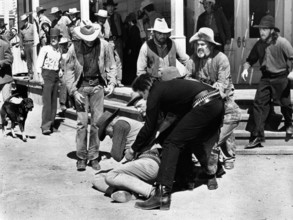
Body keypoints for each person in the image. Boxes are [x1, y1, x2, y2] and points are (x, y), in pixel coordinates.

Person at [127, 74, 224, 210]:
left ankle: (162, 195)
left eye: (142, 96)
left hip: (205, 104)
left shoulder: (155, 92)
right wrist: (158, 135)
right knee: (176, 138)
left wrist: (133, 149)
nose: (144, 99)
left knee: (172, 143)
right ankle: (185, 179)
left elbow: (148, 127)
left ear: (144, 90)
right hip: (215, 102)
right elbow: (167, 121)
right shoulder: (167, 88)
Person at [64, 20, 117, 172]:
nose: (89, 42)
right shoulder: (74, 48)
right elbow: (68, 71)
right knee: (82, 123)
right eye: (86, 39)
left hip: (97, 86)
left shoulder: (104, 46)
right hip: (80, 87)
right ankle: (81, 157)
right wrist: (73, 91)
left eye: (91, 39)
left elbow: (111, 65)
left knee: (96, 123)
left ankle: (93, 156)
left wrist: (112, 82)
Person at [186, 27, 241, 170]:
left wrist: (201, 87)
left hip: (223, 96)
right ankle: (201, 155)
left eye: (203, 44)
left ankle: (229, 155)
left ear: (211, 45)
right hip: (202, 98)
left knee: (225, 121)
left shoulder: (221, 59)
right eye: (197, 44)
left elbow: (222, 85)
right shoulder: (192, 59)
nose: (199, 47)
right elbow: (187, 79)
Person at [241, 15, 293, 148]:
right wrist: (245, 69)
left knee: (285, 104)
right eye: (260, 29)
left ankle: (289, 124)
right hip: (266, 78)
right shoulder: (259, 44)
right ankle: (258, 136)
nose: (261, 32)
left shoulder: (282, 42)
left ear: (272, 30)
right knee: (259, 104)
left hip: (281, 76)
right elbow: (249, 60)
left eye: (264, 29)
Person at [36, 28, 62, 135]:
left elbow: (59, 62)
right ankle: (45, 126)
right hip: (46, 75)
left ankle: (52, 125)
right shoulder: (45, 49)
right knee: (47, 102)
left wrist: (60, 70)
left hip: (55, 76)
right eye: (51, 38)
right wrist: (40, 77)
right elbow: (39, 64)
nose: (53, 40)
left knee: (54, 102)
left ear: (58, 38)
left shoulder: (59, 50)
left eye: (55, 38)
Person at [104, 0, 124, 87]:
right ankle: (112, 80)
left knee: (119, 60)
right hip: (109, 40)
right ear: (106, 7)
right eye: (109, 6)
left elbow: (122, 28)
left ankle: (119, 80)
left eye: (112, 6)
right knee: (110, 61)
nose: (111, 8)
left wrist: (123, 40)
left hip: (118, 40)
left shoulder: (118, 16)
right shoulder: (104, 17)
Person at [123, 12, 142, 85]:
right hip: (135, 50)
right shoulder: (135, 28)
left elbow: (133, 41)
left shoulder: (133, 29)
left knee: (132, 66)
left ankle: (131, 81)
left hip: (133, 51)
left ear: (130, 22)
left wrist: (130, 49)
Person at [20, 14, 35, 80]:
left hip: (32, 44)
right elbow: (21, 39)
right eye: (23, 21)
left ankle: (36, 74)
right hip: (26, 45)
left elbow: (36, 36)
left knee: (34, 59)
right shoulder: (21, 29)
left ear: (27, 20)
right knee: (28, 61)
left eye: (25, 20)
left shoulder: (32, 26)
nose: (24, 21)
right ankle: (30, 74)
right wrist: (21, 49)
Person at [0, 37, 13, 105]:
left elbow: (10, 60)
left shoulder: (4, 44)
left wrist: (0, 63)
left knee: (7, 103)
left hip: (5, 78)